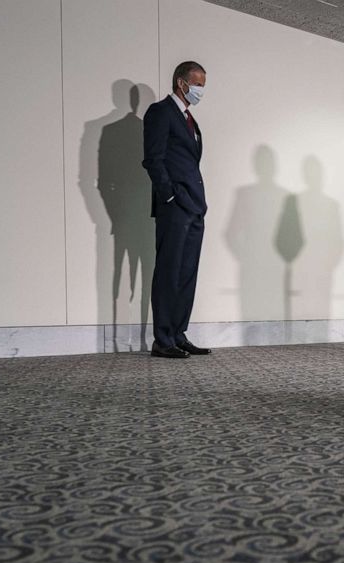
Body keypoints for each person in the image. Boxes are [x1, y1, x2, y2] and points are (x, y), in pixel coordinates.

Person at [142, 61, 211, 358]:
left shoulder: (190, 120)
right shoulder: (160, 112)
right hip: (175, 206)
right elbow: (153, 160)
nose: (200, 91)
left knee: (187, 272)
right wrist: (169, 197)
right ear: (182, 83)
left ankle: (178, 332)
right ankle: (162, 339)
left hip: (195, 206)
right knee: (168, 271)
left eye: (203, 86)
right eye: (198, 84)